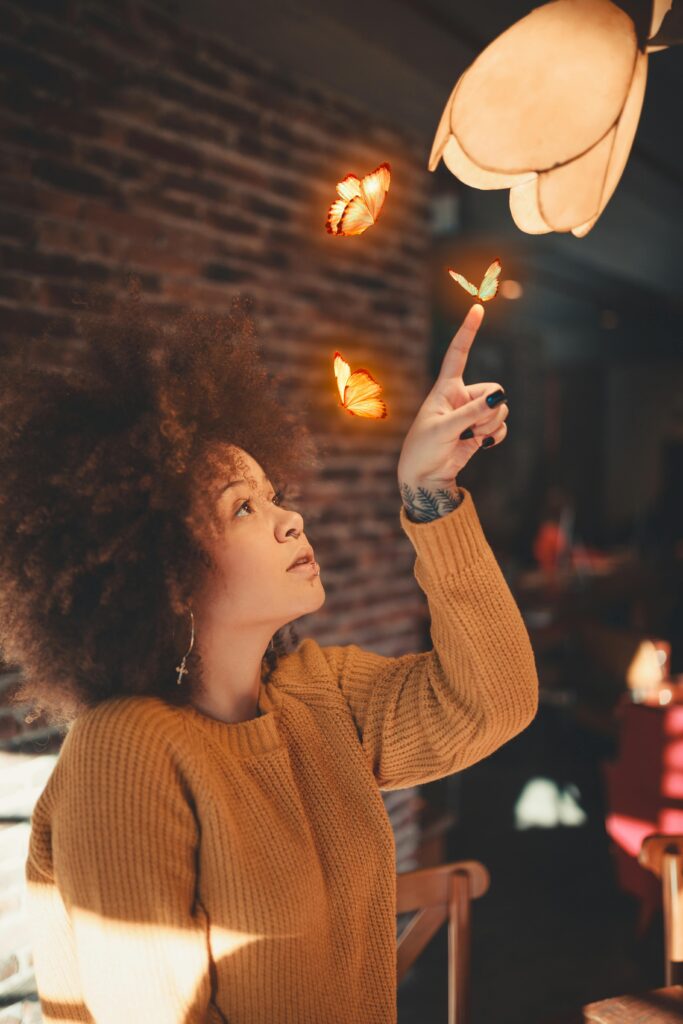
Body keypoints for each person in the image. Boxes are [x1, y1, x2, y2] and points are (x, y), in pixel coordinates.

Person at [0, 288, 538, 1024]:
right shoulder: (123, 751)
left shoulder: (318, 695)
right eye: (244, 507)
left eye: (272, 494)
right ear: (165, 568)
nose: (292, 519)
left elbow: (494, 701)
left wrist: (430, 493)